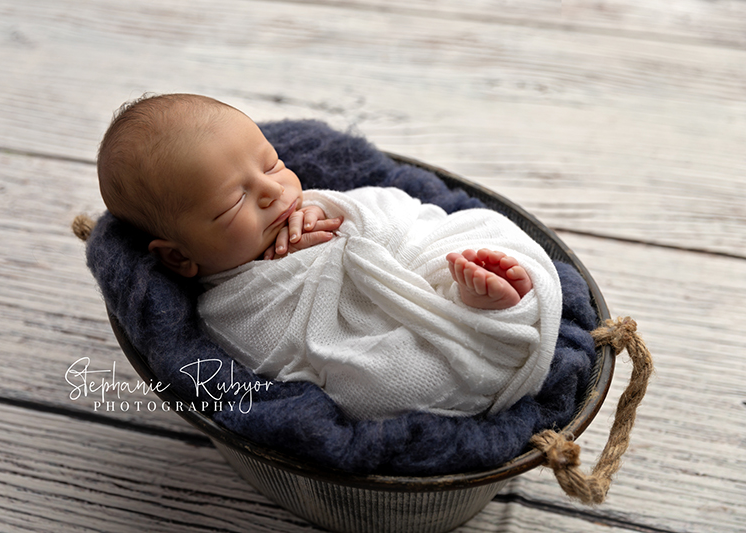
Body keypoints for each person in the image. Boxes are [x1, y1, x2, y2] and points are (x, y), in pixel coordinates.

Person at [96, 93, 562, 420]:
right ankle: (488, 330)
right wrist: (297, 267)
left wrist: (338, 214)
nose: (273, 190)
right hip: (385, 340)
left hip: (414, 270)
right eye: (233, 202)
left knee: (465, 231)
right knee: (389, 383)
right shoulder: (229, 311)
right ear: (179, 258)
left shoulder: (313, 207)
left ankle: (485, 300)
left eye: (272, 164)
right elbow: (297, 361)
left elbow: (392, 208)